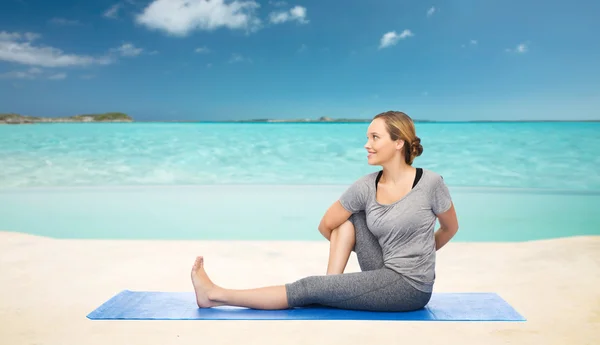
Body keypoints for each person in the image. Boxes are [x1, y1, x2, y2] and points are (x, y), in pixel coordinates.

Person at [190, 110, 459, 312]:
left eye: (375, 137)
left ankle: (214, 295)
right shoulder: (365, 186)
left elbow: (450, 228)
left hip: (410, 287)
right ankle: (331, 285)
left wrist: (420, 253)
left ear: (398, 143)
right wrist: (337, 279)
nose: (367, 144)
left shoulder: (431, 183)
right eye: (367, 137)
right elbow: (326, 225)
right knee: (349, 218)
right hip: (381, 267)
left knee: (307, 288)